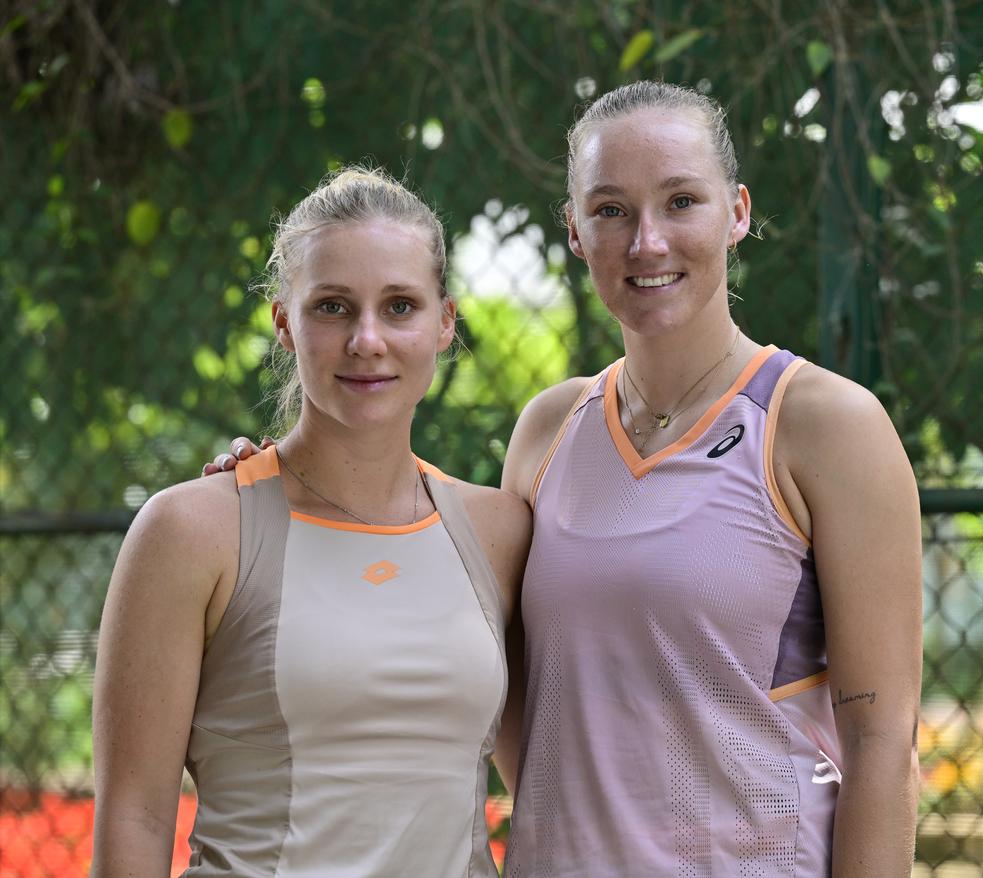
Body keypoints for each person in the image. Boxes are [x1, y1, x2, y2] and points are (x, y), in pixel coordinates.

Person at [212, 81, 923, 876]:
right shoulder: (549, 430)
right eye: (612, 210)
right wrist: (278, 483)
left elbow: (882, 740)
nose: (647, 241)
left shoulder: (826, 427)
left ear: (738, 212)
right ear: (578, 233)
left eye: (682, 200)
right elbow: (456, 614)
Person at [92, 167, 531, 877]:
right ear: (284, 323)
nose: (366, 340)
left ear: (445, 322)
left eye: (399, 306)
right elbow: (134, 820)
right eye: (331, 307)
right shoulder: (191, 532)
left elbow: (544, 780)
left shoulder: (501, 532)